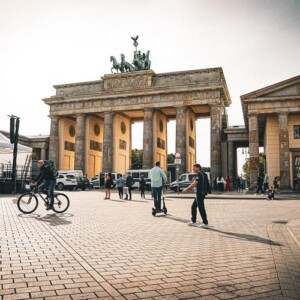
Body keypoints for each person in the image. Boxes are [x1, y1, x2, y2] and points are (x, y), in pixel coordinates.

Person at [182, 164, 209, 228]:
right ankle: (193, 221)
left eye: (194, 168)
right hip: (201, 193)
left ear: (198, 168)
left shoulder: (199, 174)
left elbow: (194, 183)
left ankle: (205, 223)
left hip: (200, 193)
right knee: (193, 206)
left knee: (201, 208)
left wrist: (187, 189)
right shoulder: (204, 174)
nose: (193, 169)